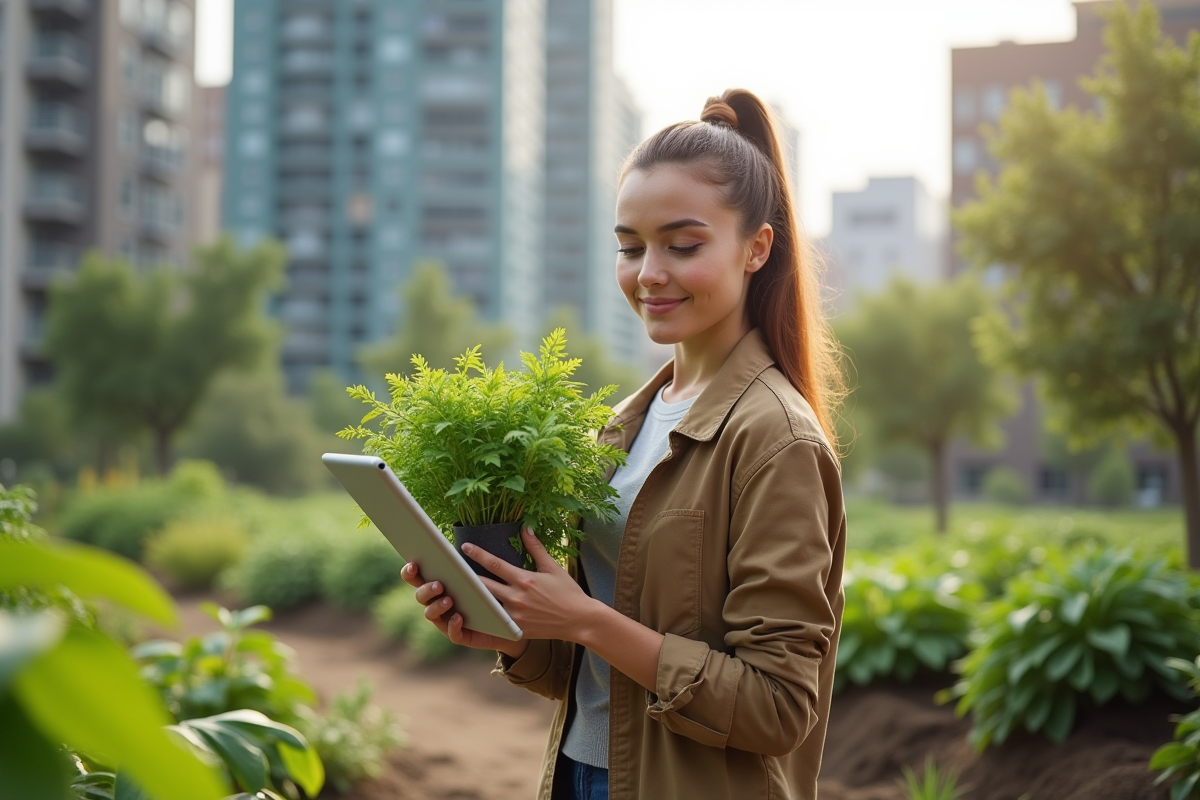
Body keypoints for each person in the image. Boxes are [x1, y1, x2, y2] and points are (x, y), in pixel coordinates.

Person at [401, 87, 847, 800]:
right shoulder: (622, 426)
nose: (649, 274)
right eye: (630, 247)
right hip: (583, 775)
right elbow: (599, 667)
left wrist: (585, 620)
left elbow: (777, 706)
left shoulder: (775, 439)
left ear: (756, 248)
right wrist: (514, 631)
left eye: (684, 245)